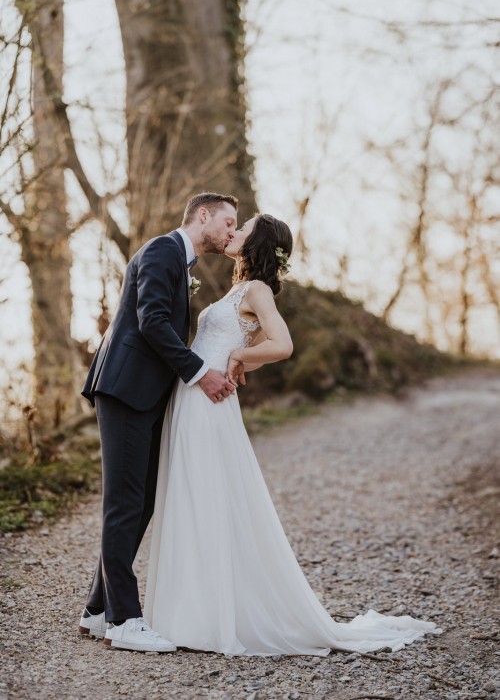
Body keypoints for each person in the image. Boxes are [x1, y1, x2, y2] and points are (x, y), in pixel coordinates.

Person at [143, 213, 442, 656]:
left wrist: (238, 357)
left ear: (256, 242)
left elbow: (282, 345)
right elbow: (252, 345)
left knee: (204, 495)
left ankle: (204, 617)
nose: (234, 231)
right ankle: (190, 608)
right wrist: (241, 360)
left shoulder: (257, 290)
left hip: (209, 405)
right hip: (193, 399)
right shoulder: (239, 290)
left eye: (242, 228)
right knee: (192, 494)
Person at [79, 192, 239, 652]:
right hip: (125, 390)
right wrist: (198, 373)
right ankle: (125, 621)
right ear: (202, 216)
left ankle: (97, 610)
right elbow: (151, 322)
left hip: (143, 395)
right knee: (125, 503)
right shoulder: (162, 250)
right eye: (228, 222)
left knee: (142, 501)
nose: (231, 232)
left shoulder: (177, 259)